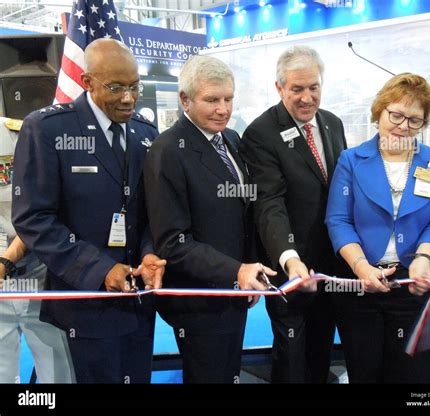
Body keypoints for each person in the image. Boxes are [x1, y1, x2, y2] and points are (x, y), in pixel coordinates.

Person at [12, 39, 166, 384]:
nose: (128, 98)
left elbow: (153, 212)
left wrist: (149, 252)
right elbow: (33, 218)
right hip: (82, 307)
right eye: (115, 88)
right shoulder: (48, 129)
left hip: (138, 302)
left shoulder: (145, 132)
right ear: (86, 82)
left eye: (134, 87)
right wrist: (100, 269)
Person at [144, 55, 276, 384]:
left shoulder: (230, 139)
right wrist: (237, 270)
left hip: (233, 293)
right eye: (212, 100)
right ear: (185, 100)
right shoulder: (168, 151)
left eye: (228, 99)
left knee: (227, 372)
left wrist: (248, 267)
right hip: (199, 302)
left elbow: (243, 213)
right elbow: (173, 243)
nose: (223, 109)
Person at [325, 73, 430, 383]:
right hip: (361, 286)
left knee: (415, 376)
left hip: (413, 287)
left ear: (423, 125)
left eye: (414, 120)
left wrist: (424, 259)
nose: (403, 126)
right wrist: (360, 267)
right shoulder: (351, 161)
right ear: (379, 111)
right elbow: (338, 221)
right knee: (365, 371)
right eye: (395, 114)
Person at [240, 45, 347, 383]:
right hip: (289, 268)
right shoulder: (260, 134)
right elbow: (269, 204)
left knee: (320, 350)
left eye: (313, 87)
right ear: (279, 88)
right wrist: (290, 258)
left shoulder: (332, 123)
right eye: (297, 89)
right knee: (291, 355)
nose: (307, 97)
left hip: (331, 266)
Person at [0, 117, 74, 383]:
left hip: (37, 275)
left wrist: (6, 259)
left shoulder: (20, 136)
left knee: (58, 374)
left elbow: (43, 209)